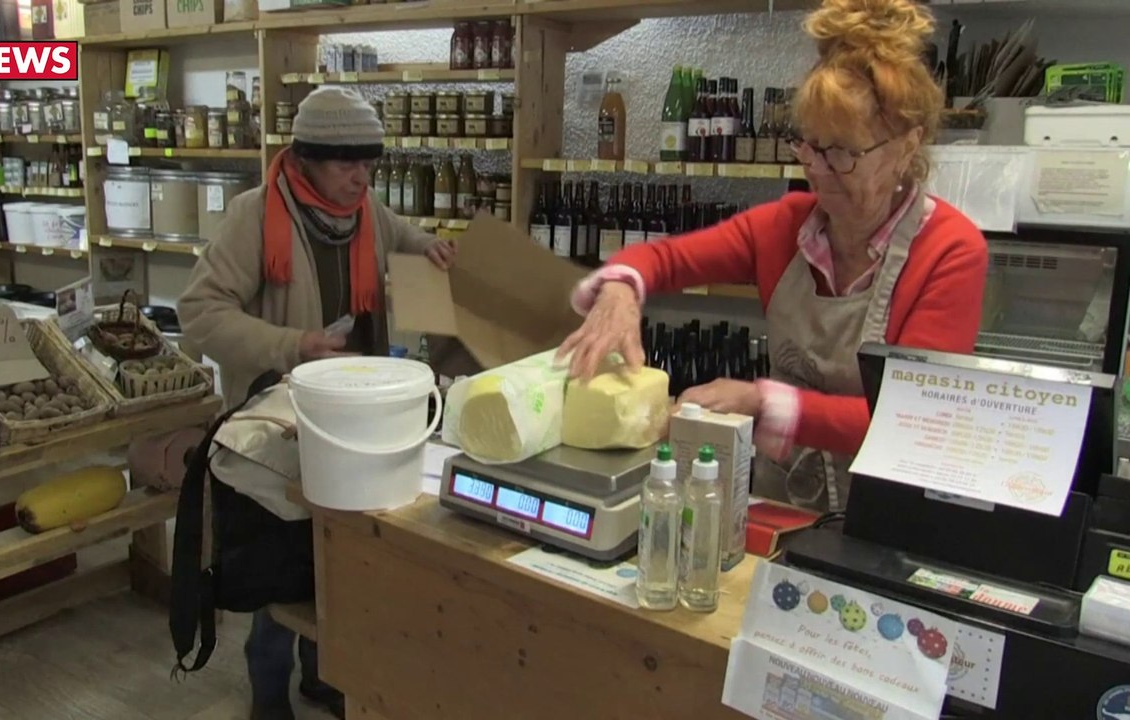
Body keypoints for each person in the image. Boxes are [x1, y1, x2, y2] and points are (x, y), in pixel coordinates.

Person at [559, 0, 988, 514]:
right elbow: (663, 259)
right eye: (810, 146)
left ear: (906, 145)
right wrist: (621, 289)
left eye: (844, 153)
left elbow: (913, 417)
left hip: (888, 516)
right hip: (779, 502)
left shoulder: (949, 250)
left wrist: (766, 402)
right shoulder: (786, 227)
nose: (819, 171)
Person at [177, 86, 455, 720]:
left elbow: (397, 232)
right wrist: (290, 345)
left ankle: (325, 673)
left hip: (357, 417)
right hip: (282, 419)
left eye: (368, 164)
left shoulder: (363, 211)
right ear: (304, 161)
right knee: (285, 562)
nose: (360, 178)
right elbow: (199, 311)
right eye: (344, 164)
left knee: (340, 561)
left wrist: (428, 246)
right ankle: (267, 695)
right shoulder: (255, 218)